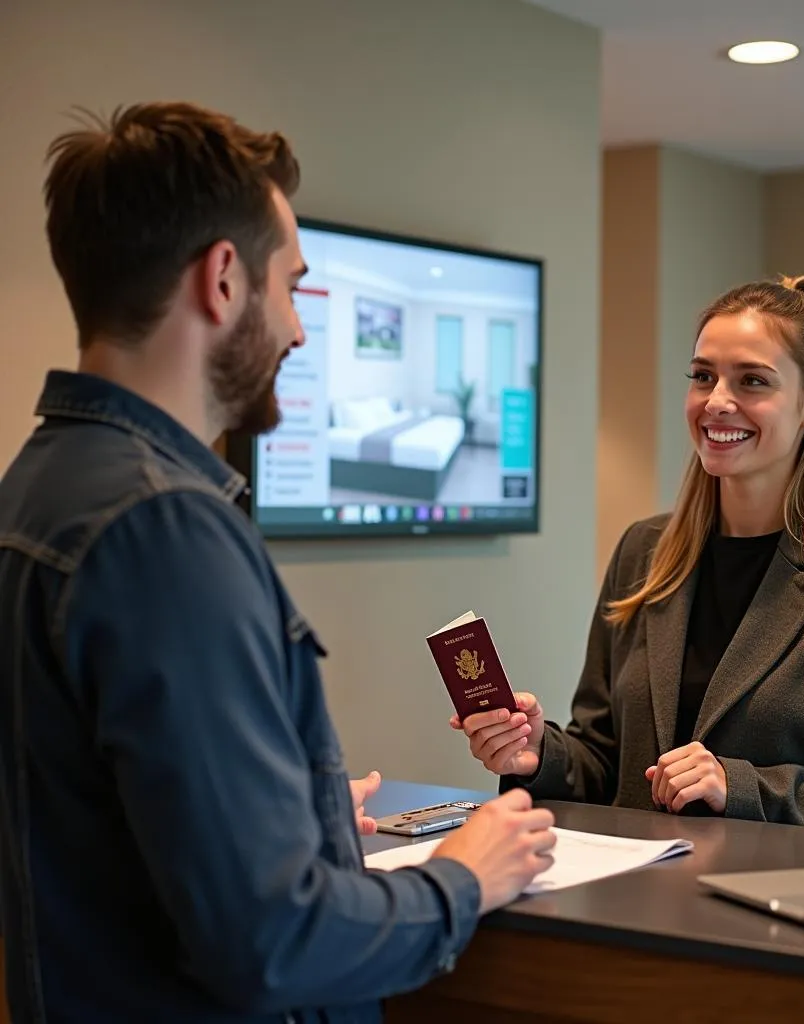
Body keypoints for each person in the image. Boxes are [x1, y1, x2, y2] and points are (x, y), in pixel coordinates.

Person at [0, 101, 557, 1024]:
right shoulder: (164, 533)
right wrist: (462, 879)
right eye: (292, 286)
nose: (299, 331)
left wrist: (284, 806)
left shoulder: (34, 492)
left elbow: (100, 820)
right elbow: (271, 941)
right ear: (224, 279)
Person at [454, 275, 804, 834]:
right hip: (633, 893)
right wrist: (538, 753)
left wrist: (740, 786)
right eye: (703, 376)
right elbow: (604, 759)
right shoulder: (644, 551)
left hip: (769, 903)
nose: (717, 402)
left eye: (753, 381)